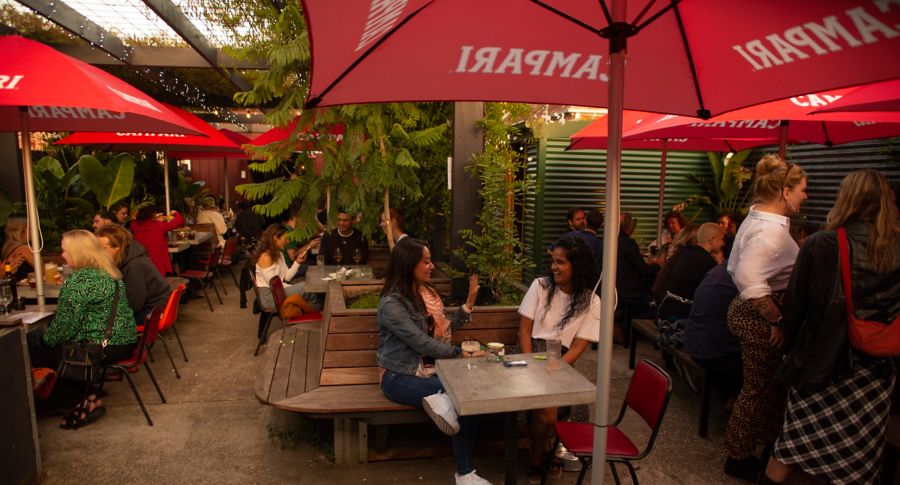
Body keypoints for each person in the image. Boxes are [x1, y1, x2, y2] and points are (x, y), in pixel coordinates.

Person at [760, 170, 900, 485]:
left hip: (820, 364)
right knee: (858, 461)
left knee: (790, 448)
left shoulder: (822, 243)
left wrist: (789, 349)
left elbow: (796, 305)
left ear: (846, 199)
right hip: (875, 371)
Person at [724, 155, 808, 481]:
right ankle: (738, 457)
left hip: (752, 312)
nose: (805, 196)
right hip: (759, 317)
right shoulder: (770, 231)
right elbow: (749, 276)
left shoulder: (759, 216)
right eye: (802, 189)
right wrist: (776, 320)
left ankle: (764, 449)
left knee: (768, 389)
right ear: (786, 192)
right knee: (757, 390)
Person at [376, 238, 487, 485]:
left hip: (430, 370)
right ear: (409, 264)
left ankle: (465, 473)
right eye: (426, 261)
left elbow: (442, 331)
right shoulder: (392, 304)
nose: (432, 266)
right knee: (463, 398)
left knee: (469, 398)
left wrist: (468, 303)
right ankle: (465, 471)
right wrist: (461, 353)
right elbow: (421, 342)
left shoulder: (424, 295)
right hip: (398, 376)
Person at [27, 230, 137, 429]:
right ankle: (87, 396)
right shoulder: (110, 272)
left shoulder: (80, 281)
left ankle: (77, 402)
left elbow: (64, 328)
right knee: (58, 347)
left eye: (65, 250)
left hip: (103, 346)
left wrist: (41, 341)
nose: (62, 255)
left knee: (35, 353)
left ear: (78, 252)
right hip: (124, 341)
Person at [518, 235, 602, 482]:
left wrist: (554, 369)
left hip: (562, 361)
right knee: (546, 412)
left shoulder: (591, 301)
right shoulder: (541, 286)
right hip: (529, 353)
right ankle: (543, 452)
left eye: (561, 262)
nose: (554, 267)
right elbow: (524, 330)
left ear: (577, 265)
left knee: (551, 410)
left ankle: (539, 456)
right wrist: (532, 365)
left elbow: (578, 346)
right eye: (553, 261)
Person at [656, 223, 725, 348]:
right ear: (712, 240)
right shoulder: (707, 262)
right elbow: (716, 293)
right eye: (721, 239)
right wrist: (720, 263)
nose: (723, 243)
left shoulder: (685, 252)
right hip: (678, 321)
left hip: (665, 313)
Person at [682, 263, 743, 400]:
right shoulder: (745, 276)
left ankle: (731, 397)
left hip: (692, 341)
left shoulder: (718, 270)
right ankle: (738, 401)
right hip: (711, 352)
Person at [95, 223, 171, 323]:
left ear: (117, 246)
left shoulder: (134, 265)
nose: (98, 253)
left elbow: (134, 304)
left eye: (103, 248)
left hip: (153, 311)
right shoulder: (129, 256)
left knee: (100, 321)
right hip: (152, 306)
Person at [253, 224, 319, 311]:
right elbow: (275, 286)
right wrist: (293, 287)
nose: (287, 241)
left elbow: (286, 277)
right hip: (270, 296)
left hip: (278, 291)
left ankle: (310, 312)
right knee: (307, 287)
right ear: (275, 238)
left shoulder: (279, 254)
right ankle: (313, 313)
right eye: (286, 238)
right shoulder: (265, 257)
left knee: (309, 286)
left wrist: (297, 262)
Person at [615, 212, 658, 343]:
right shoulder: (628, 243)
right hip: (626, 291)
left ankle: (620, 325)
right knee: (655, 306)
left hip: (612, 288)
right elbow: (643, 270)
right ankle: (622, 329)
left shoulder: (609, 240)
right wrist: (658, 265)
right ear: (629, 227)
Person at [130, 206, 184, 277]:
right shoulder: (158, 225)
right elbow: (178, 221)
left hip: (142, 261)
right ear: (152, 215)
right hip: (157, 262)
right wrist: (176, 213)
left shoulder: (134, 226)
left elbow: (133, 221)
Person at [2, 217, 34, 281]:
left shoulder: (7, 247)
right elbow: (42, 271)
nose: (34, 231)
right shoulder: (24, 249)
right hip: (23, 286)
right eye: (30, 228)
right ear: (21, 232)